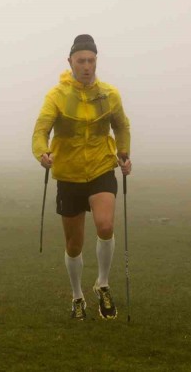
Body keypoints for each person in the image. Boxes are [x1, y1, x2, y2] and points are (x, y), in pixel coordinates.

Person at [32, 34, 131, 320]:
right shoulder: (57, 95)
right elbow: (41, 131)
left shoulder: (109, 94)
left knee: (105, 224)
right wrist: (42, 153)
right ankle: (77, 295)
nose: (87, 66)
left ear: (96, 61)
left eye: (91, 61)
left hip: (101, 168)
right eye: (81, 61)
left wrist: (124, 153)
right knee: (74, 245)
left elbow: (122, 126)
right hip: (69, 175)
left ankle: (103, 284)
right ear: (71, 62)